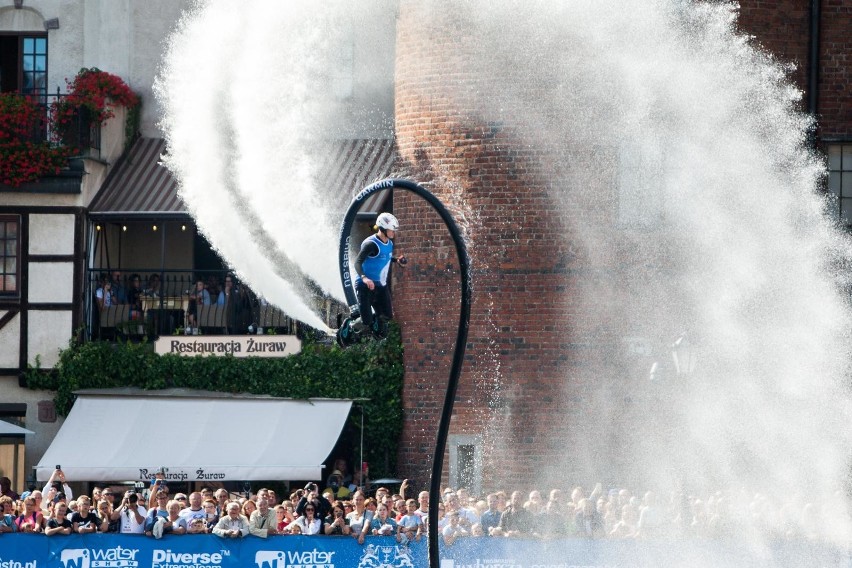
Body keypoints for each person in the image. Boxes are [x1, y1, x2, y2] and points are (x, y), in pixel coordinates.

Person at [351, 212, 406, 340]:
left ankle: (375, 327)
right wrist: (364, 278)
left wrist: (396, 260)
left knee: (387, 316)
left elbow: (383, 257)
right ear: (383, 228)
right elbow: (357, 263)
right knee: (366, 322)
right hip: (365, 286)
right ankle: (351, 326)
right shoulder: (371, 244)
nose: (393, 233)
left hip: (380, 286)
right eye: (391, 230)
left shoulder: (390, 244)